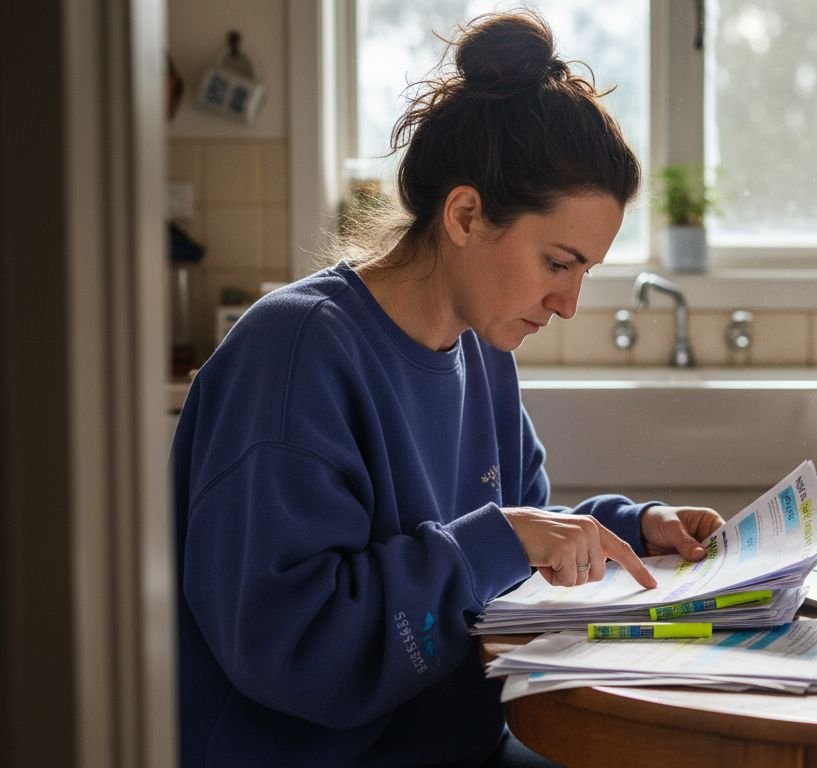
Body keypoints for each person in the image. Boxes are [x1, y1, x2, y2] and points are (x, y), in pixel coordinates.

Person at [171, 11, 723, 766]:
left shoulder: (483, 351)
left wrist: (628, 529)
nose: (568, 304)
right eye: (558, 263)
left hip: (463, 747)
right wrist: (500, 542)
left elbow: (514, 543)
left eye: (585, 273)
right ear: (465, 214)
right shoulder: (295, 355)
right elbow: (292, 648)